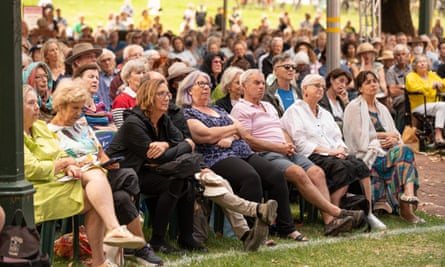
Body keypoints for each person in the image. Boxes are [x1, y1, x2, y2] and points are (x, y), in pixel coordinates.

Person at [178, 70, 312, 241]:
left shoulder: (217, 109)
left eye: (207, 84)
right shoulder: (188, 113)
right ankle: (253, 232)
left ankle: (286, 227)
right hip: (216, 156)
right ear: (189, 90)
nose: (205, 87)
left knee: (275, 175)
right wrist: (232, 130)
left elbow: (241, 130)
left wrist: (229, 134)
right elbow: (205, 135)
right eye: (200, 84)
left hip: (241, 150)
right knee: (250, 178)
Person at [231, 69, 367, 235]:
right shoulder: (240, 109)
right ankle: (337, 213)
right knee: (298, 172)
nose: (261, 87)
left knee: (317, 172)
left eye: (262, 83)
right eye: (256, 83)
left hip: (286, 150)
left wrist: (288, 144)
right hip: (265, 153)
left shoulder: (269, 106)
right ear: (244, 85)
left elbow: (282, 129)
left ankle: (330, 222)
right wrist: (278, 148)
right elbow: (248, 141)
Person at [23, 84, 145, 267]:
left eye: (36, 102)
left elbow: (59, 154)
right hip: (38, 191)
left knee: (101, 193)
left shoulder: (39, 127)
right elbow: (32, 169)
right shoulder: (17, 135)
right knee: (116, 183)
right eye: (30, 103)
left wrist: (68, 166)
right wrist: (65, 164)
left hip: (62, 181)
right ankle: (117, 234)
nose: (36, 107)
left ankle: (101, 258)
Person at [106, 79, 207, 254]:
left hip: (145, 171)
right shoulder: (133, 123)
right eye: (161, 94)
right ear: (148, 97)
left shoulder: (162, 119)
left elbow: (180, 142)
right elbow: (162, 157)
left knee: (185, 181)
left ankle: (186, 236)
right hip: (126, 175)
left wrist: (166, 145)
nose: (167, 98)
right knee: (173, 182)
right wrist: (181, 145)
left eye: (167, 94)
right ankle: (158, 240)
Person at [281, 73, 387, 230]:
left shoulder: (324, 113)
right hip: (313, 156)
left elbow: (338, 137)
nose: (321, 89)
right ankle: (337, 213)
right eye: (317, 85)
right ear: (305, 89)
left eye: (323, 86)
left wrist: (340, 149)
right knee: (341, 167)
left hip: (334, 153)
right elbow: (301, 143)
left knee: (359, 164)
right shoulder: (294, 111)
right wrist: (330, 152)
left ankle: (369, 212)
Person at [343, 70, 423, 224]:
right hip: (367, 155)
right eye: (368, 82)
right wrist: (384, 137)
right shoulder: (354, 107)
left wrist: (393, 138)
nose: (373, 84)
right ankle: (407, 205)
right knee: (404, 152)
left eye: (375, 81)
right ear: (360, 88)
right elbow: (358, 138)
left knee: (403, 152)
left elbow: (394, 133)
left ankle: (407, 197)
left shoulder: (382, 107)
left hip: (386, 152)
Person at [405, 54, 445, 144]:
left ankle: (438, 135)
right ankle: (438, 134)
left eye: (424, 62)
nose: (422, 64)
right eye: (419, 62)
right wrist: (431, 86)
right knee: (443, 105)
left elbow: (442, 82)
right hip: (419, 105)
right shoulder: (411, 76)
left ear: (428, 64)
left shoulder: (432, 75)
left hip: (434, 105)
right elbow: (413, 87)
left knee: (442, 106)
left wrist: (441, 84)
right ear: (415, 65)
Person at [72, 64, 116, 130]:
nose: (95, 81)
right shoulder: (74, 103)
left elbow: (112, 124)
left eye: (97, 78)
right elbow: (81, 128)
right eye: (91, 77)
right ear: (79, 80)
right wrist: (107, 129)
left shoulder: (97, 101)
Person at [111, 58, 147, 128]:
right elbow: (121, 128)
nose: (142, 76)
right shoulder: (121, 100)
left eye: (144, 73)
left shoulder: (148, 97)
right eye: (138, 73)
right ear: (128, 77)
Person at [386, 44, 412, 132]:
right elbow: (392, 91)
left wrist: (401, 87)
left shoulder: (412, 69)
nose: (401, 57)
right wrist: (408, 89)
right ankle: (400, 131)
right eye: (398, 54)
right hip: (398, 100)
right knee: (405, 101)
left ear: (408, 56)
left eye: (403, 54)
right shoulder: (391, 71)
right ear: (395, 57)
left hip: (414, 97)